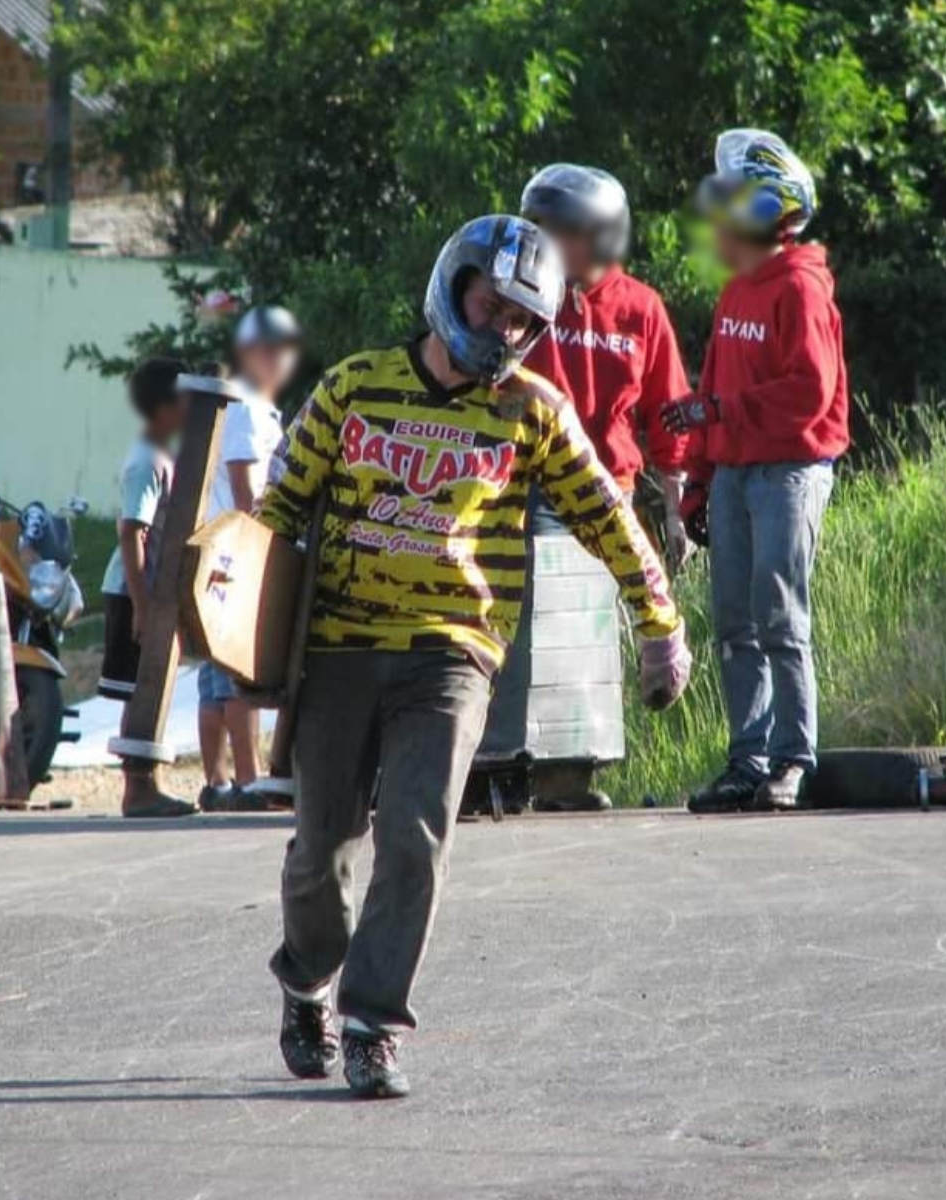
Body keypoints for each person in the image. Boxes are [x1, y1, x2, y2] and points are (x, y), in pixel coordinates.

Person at [258, 214, 693, 1100]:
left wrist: (660, 623)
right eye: (491, 306)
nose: (502, 331)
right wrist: (224, 615)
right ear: (451, 284)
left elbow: (608, 516)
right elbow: (274, 514)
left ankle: (374, 1024)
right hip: (338, 646)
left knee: (415, 838)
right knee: (321, 853)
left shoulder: (532, 410)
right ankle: (308, 978)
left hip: (453, 653)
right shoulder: (352, 388)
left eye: (522, 322)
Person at [660, 129, 849, 813]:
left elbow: (809, 391)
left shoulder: (798, 287)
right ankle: (750, 760)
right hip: (739, 473)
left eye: (728, 202)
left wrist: (721, 410)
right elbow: (712, 389)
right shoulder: (736, 290)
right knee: (735, 623)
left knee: (779, 616)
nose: (715, 219)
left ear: (765, 207)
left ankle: (795, 759)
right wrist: (702, 481)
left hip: (790, 471)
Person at [521, 163, 693, 567]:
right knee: (545, 607)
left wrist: (675, 508)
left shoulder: (641, 308)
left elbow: (669, 408)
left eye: (561, 231)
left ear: (603, 236)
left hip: (610, 486)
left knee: (604, 611)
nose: (546, 241)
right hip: (534, 479)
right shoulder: (524, 294)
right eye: (541, 228)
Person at [196, 307, 303, 811]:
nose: (279, 361)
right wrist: (262, 545)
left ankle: (219, 782)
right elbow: (244, 484)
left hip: (231, 549)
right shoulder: (246, 405)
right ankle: (245, 779)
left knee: (221, 677)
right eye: (271, 351)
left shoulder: (257, 405)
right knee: (239, 675)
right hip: (240, 550)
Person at [98, 357, 188, 707]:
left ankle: (140, 762)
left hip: (147, 591)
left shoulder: (163, 453)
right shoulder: (146, 462)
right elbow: (131, 532)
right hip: (132, 590)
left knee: (147, 693)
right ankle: (135, 763)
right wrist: (142, 607)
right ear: (165, 407)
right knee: (136, 696)